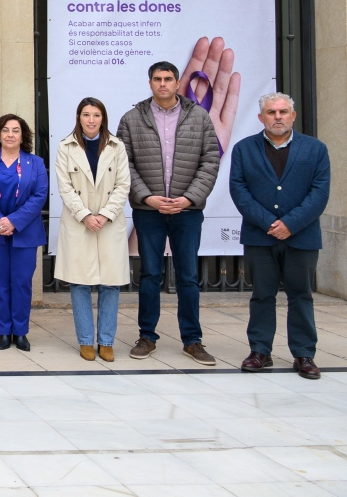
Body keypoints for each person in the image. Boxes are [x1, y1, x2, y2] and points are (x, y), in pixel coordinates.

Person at [117, 60, 221, 366]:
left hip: (186, 211)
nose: (163, 84)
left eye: (169, 79)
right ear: (150, 83)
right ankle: (147, 336)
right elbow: (125, 164)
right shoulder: (132, 118)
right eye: (157, 79)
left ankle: (193, 340)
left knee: (188, 276)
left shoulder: (199, 116)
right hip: (148, 211)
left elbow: (210, 160)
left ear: (178, 83)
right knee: (150, 274)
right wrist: (147, 198)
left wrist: (189, 199)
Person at [231, 93, 330, 380]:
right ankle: (260, 351)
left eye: (283, 111)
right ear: (261, 117)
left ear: (293, 116)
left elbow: (320, 193)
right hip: (260, 237)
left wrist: (290, 224)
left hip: (302, 237)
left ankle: (304, 354)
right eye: (271, 112)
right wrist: (269, 223)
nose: (278, 117)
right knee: (262, 295)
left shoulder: (315, 149)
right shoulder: (244, 149)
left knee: (301, 295)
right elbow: (239, 191)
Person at [53, 97, 130, 362]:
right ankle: (86, 340)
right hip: (79, 222)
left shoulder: (117, 146)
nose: (91, 120)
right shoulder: (66, 146)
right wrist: (85, 215)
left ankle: (106, 341)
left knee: (111, 283)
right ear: (79, 117)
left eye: (96, 115)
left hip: (109, 222)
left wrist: (105, 214)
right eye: (86, 115)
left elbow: (123, 185)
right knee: (80, 282)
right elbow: (65, 187)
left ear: (103, 118)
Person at [0, 114, 48, 351]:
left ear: (23, 135)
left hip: (25, 231)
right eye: (6, 130)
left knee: (22, 282)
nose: (10, 135)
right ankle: (4, 331)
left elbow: (40, 195)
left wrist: (13, 221)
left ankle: (20, 332)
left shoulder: (35, 163)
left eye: (16, 130)